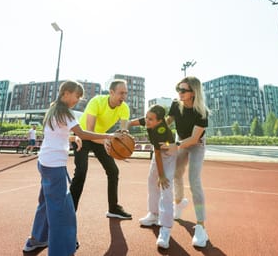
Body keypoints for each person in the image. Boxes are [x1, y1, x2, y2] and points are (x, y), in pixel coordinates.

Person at [23, 80, 121, 255]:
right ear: (66, 93)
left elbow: (56, 135)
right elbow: (83, 132)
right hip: (54, 168)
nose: (77, 100)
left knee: (45, 204)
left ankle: (37, 240)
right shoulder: (66, 113)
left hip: (44, 163)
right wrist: (108, 135)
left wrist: (72, 138)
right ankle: (61, 251)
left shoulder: (53, 110)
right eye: (77, 96)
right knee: (63, 212)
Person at [69, 79, 132, 219]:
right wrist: (107, 140)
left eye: (126, 93)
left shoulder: (124, 108)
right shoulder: (97, 101)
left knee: (113, 171)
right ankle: (69, 212)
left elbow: (123, 133)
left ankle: (113, 208)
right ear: (111, 92)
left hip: (101, 138)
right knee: (80, 173)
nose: (124, 97)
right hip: (83, 136)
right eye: (121, 93)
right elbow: (89, 132)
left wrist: (121, 147)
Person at [166, 76, 210, 248]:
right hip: (181, 139)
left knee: (194, 181)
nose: (180, 93)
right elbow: (167, 122)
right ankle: (179, 202)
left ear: (193, 92)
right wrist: (153, 122)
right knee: (176, 174)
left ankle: (201, 226)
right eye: (178, 89)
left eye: (183, 90)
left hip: (196, 143)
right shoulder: (176, 105)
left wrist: (172, 146)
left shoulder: (202, 111)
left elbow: (193, 139)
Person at [127, 104, 177, 249]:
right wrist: (125, 128)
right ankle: (153, 214)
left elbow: (158, 154)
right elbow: (132, 122)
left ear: (160, 121)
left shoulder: (161, 131)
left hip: (169, 154)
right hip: (160, 152)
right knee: (151, 182)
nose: (146, 121)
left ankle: (166, 228)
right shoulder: (150, 119)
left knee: (165, 187)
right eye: (146, 118)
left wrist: (161, 175)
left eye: (150, 119)